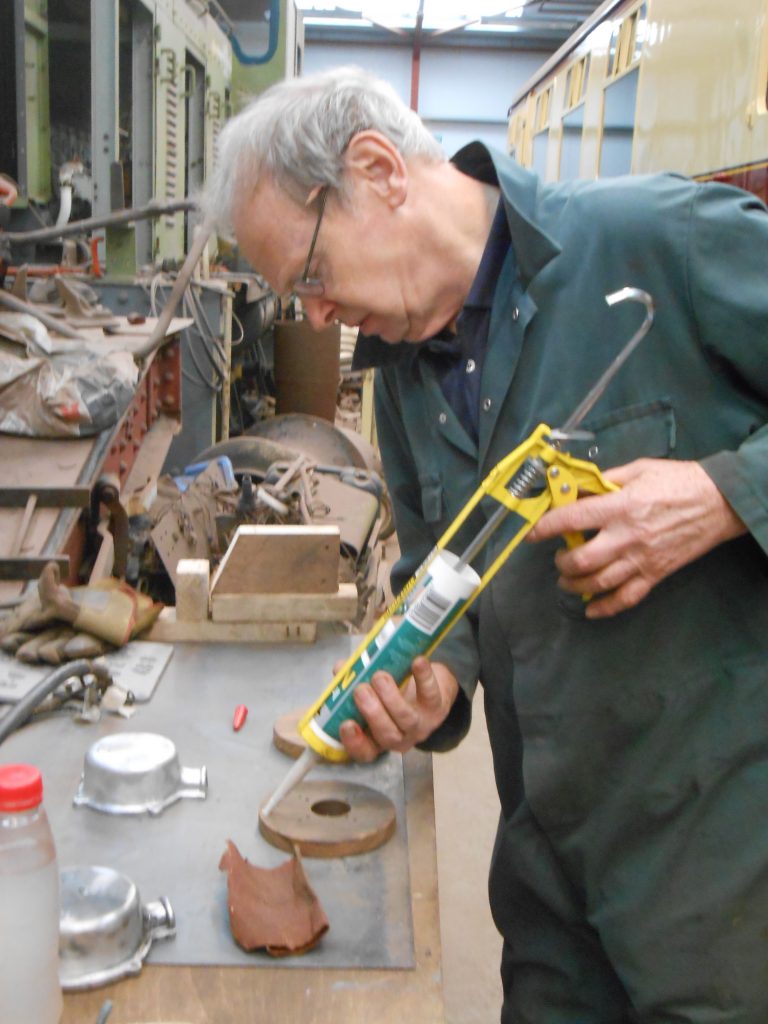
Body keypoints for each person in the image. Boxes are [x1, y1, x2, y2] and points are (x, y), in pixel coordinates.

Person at [204, 67, 768, 1023]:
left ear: (378, 170)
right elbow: (448, 574)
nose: (315, 317)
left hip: (719, 874)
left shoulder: (654, 245)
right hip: (549, 884)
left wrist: (722, 494)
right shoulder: (404, 380)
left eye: (309, 276)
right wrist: (442, 676)